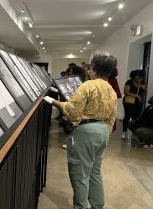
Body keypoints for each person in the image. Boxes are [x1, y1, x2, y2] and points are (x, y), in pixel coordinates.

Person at [44, 53, 117, 209]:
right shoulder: (111, 89)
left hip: (86, 132)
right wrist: (105, 131)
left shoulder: (88, 85)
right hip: (103, 131)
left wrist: (54, 102)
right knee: (95, 171)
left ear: (94, 69)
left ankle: (81, 206)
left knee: (80, 173)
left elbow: (72, 111)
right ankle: (97, 205)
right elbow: (112, 117)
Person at [122, 69, 146, 139]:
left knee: (135, 117)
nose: (139, 78)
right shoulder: (129, 82)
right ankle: (124, 131)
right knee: (127, 116)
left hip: (138, 103)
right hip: (128, 102)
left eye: (141, 77)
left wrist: (144, 89)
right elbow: (126, 92)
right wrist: (137, 96)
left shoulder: (142, 83)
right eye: (138, 76)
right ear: (134, 76)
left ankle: (131, 129)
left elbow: (144, 93)